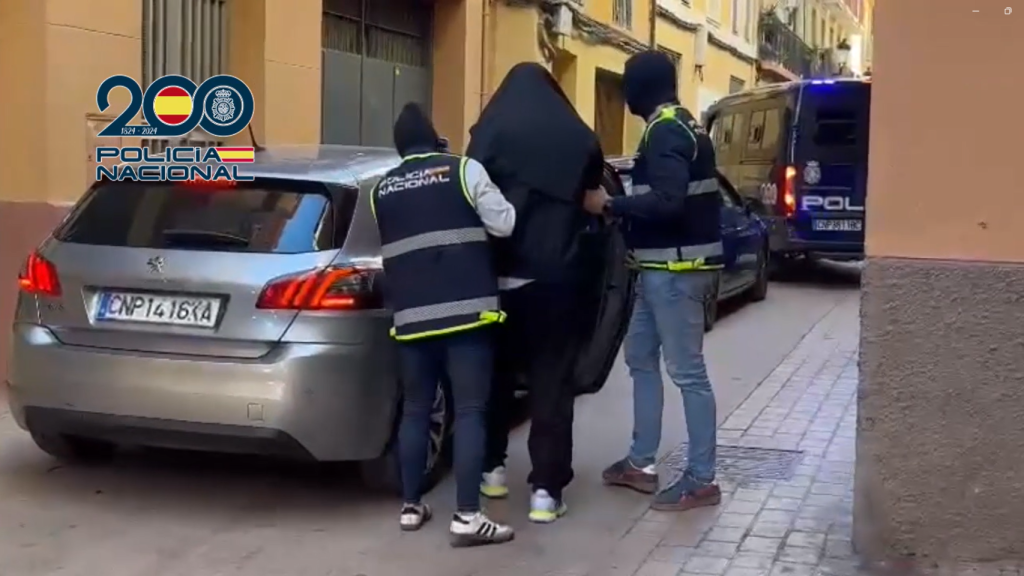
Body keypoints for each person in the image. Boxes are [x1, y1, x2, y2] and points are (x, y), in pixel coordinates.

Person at [582, 50, 723, 512]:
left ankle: (702, 479)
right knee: (640, 356)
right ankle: (641, 462)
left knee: (688, 373)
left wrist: (609, 205)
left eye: (628, 84)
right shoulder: (681, 126)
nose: (624, 93)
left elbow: (667, 200)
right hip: (658, 269)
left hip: (677, 273)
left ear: (644, 87)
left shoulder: (666, 131)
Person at [371, 102, 516, 546]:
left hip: (412, 317)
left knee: (416, 410)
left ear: (399, 149)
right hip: (467, 313)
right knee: (471, 410)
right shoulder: (463, 170)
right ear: (436, 138)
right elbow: (505, 224)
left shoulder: (382, 189)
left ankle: (411, 507)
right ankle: (468, 517)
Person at [466, 62, 605, 523]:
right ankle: (546, 491)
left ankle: (491, 471)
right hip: (555, 281)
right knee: (551, 383)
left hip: (496, 279)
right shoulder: (578, 138)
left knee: (496, 379)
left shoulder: (488, 133)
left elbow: (471, 196)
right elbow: (593, 195)